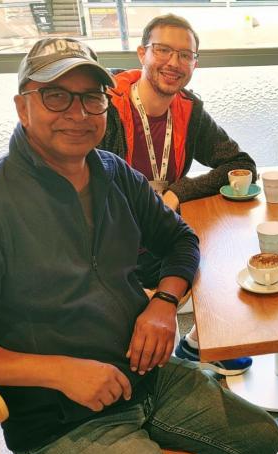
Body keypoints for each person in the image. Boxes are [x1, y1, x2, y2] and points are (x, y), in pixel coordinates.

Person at [0, 38, 278, 454]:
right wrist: (60, 371)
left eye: (91, 98)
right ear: (22, 106)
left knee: (261, 438)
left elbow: (180, 240)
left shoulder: (113, 172)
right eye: (56, 96)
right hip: (63, 419)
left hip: (145, 378)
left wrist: (164, 303)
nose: (78, 114)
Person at [99, 14, 257, 376]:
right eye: (163, 50)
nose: (174, 63)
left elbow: (241, 165)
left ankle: (198, 342)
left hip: (158, 238)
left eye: (185, 55)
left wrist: (177, 192)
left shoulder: (188, 109)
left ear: (194, 64)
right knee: (131, 366)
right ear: (142, 53)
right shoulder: (106, 107)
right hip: (110, 246)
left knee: (227, 246)